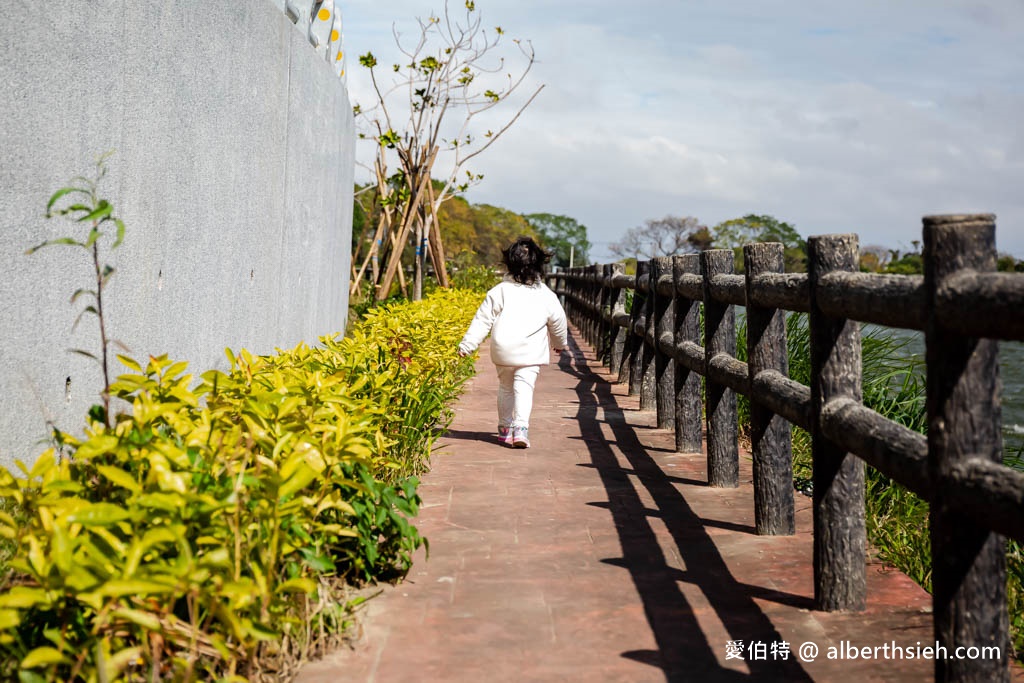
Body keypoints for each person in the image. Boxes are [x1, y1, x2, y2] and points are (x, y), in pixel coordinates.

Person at [458, 237, 568, 448]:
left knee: (506, 388)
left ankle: (504, 428)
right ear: (539, 265)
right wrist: (559, 344)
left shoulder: (499, 291)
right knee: (523, 388)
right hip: (530, 352)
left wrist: (467, 345)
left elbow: (482, 319)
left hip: (504, 350)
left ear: (509, 263)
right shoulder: (546, 295)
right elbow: (558, 321)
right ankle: (520, 429)